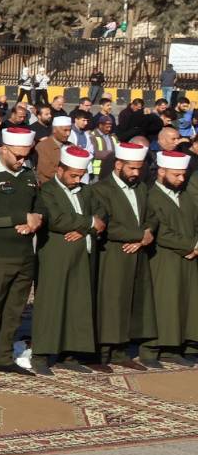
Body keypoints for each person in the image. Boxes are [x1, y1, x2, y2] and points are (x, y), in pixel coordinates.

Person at [0, 127, 43, 376]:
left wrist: (36, 219)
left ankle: (3, 357)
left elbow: (39, 205)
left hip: (24, 253)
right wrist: (19, 217)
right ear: (2, 149)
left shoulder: (28, 175)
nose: (22, 160)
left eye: (26, 155)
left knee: (15, 309)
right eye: (18, 156)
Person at [29, 144, 101, 375]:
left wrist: (85, 229)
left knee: (77, 303)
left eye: (80, 176)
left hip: (82, 255)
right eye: (73, 175)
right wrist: (88, 224)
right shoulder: (48, 191)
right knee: (51, 303)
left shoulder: (87, 191)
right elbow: (57, 219)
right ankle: (41, 355)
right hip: (55, 255)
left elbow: (102, 215)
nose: (77, 179)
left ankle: (69, 353)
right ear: (60, 169)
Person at [90, 140, 155, 369]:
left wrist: (146, 234)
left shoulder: (142, 188)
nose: (136, 173)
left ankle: (120, 350)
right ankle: (101, 352)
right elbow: (106, 224)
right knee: (109, 302)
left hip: (136, 253)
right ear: (118, 165)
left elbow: (152, 216)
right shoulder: (100, 189)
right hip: (113, 254)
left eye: (139, 169)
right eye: (132, 168)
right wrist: (139, 235)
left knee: (130, 300)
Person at [143, 151, 197, 365]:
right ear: (162, 172)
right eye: (177, 175)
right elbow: (161, 232)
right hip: (164, 259)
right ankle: (155, 348)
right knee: (164, 303)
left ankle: (179, 346)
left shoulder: (185, 196)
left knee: (187, 301)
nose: (181, 179)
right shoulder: (151, 196)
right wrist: (191, 245)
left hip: (189, 258)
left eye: (183, 175)